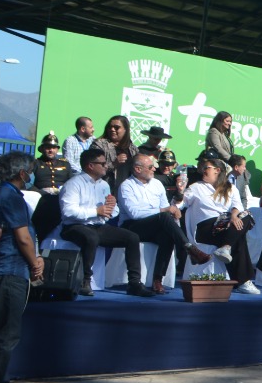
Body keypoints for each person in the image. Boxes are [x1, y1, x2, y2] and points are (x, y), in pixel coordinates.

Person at [0, 151, 44, 383]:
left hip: (5, 269)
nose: (32, 175)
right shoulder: (10, 197)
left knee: (5, 330)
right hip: (9, 270)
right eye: (30, 171)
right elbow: (23, 238)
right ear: (22, 173)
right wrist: (34, 263)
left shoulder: (6, 194)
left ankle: (0, 381)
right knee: (5, 334)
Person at [59, 148, 153, 297]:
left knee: (132, 237)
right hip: (74, 226)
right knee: (91, 238)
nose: (106, 166)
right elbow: (68, 211)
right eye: (102, 164)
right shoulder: (73, 184)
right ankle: (85, 280)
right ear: (90, 165)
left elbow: (110, 213)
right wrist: (96, 211)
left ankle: (134, 283)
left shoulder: (103, 185)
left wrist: (111, 206)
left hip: (98, 225)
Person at [118, 153, 212, 294]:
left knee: (167, 235)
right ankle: (189, 248)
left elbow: (165, 207)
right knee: (163, 216)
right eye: (150, 167)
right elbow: (134, 214)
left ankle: (157, 279)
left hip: (154, 225)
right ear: (138, 169)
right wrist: (165, 210)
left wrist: (172, 209)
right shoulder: (127, 186)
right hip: (132, 226)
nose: (154, 169)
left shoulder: (157, 184)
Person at [182, 159, 260, 295]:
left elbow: (237, 206)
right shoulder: (196, 187)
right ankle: (243, 280)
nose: (203, 170)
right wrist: (178, 193)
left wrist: (234, 216)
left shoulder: (230, 188)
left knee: (247, 215)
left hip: (226, 225)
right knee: (239, 237)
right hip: (205, 228)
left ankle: (226, 247)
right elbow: (181, 202)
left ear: (217, 170)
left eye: (206, 167)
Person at [92, 115, 135, 186]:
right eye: (110, 127)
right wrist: (113, 164)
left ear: (125, 129)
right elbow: (93, 168)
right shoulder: (98, 145)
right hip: (104, 187)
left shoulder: (132, 149)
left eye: (116, 127)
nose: (112, 129)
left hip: (126, 190)